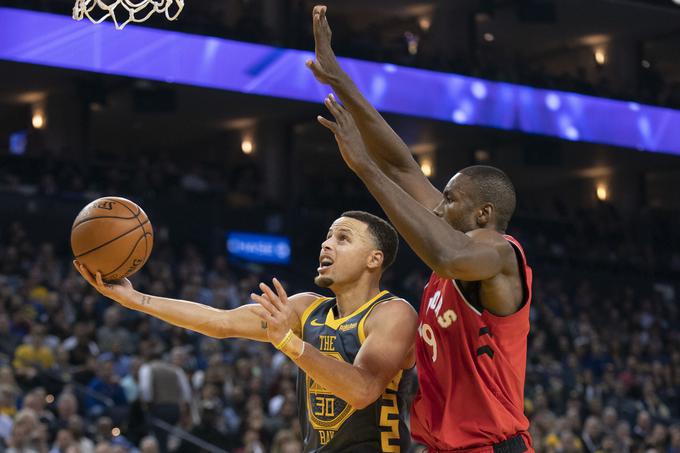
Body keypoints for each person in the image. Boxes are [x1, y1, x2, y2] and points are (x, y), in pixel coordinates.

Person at [307, 6, 534, 452]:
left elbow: (445, 258)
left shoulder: (500, 254)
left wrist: (364, 169)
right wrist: (337, 78)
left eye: (450, 200)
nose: (438, 205)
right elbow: (400, 164)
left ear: (484, 214)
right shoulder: (453, 236)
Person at [74, 210, 418, 452]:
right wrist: (135, 300)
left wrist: (288, 341)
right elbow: (221, 322)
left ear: (375, 259)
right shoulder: (305, 308)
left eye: (343, 238)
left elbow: (363, 389)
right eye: (328, 236)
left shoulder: (393, 312)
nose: (326, 244)